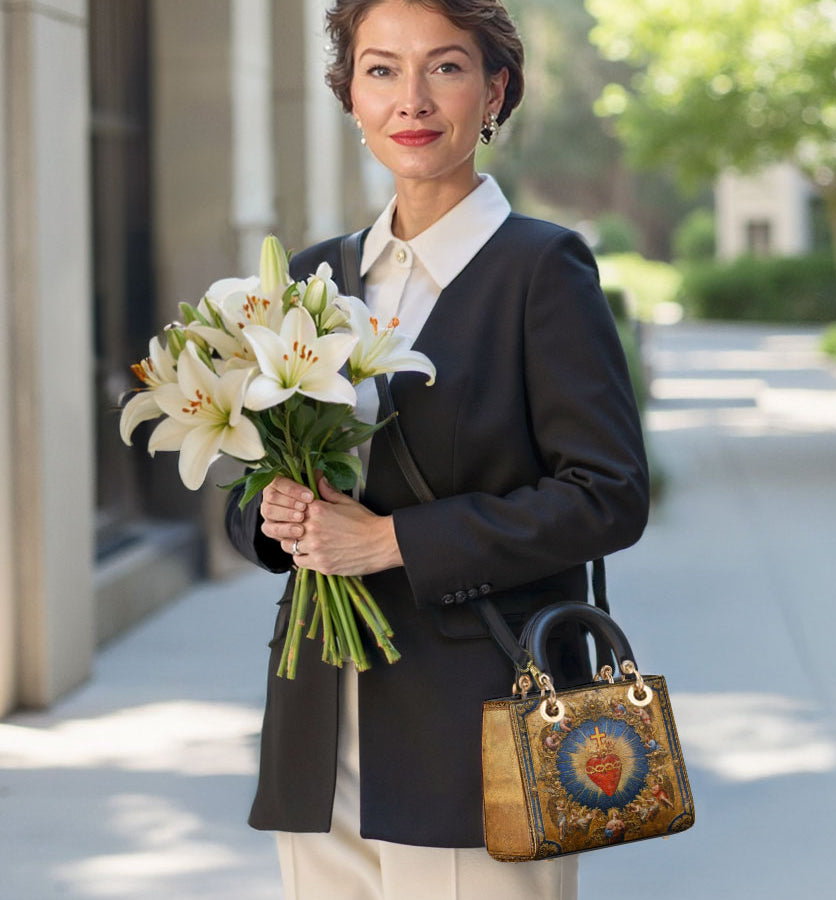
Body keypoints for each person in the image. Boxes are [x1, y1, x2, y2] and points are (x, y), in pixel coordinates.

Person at [225, 1, 649, 897]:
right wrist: (274, 517)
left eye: (444, 67)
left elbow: (608, 494)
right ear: (350, 97)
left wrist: (392, 543)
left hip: (477, 728)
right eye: (381, 70)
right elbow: (253, 477)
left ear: (495, 90)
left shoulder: (542, 269)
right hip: (317, 726)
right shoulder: (313, 277)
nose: (411, 98)